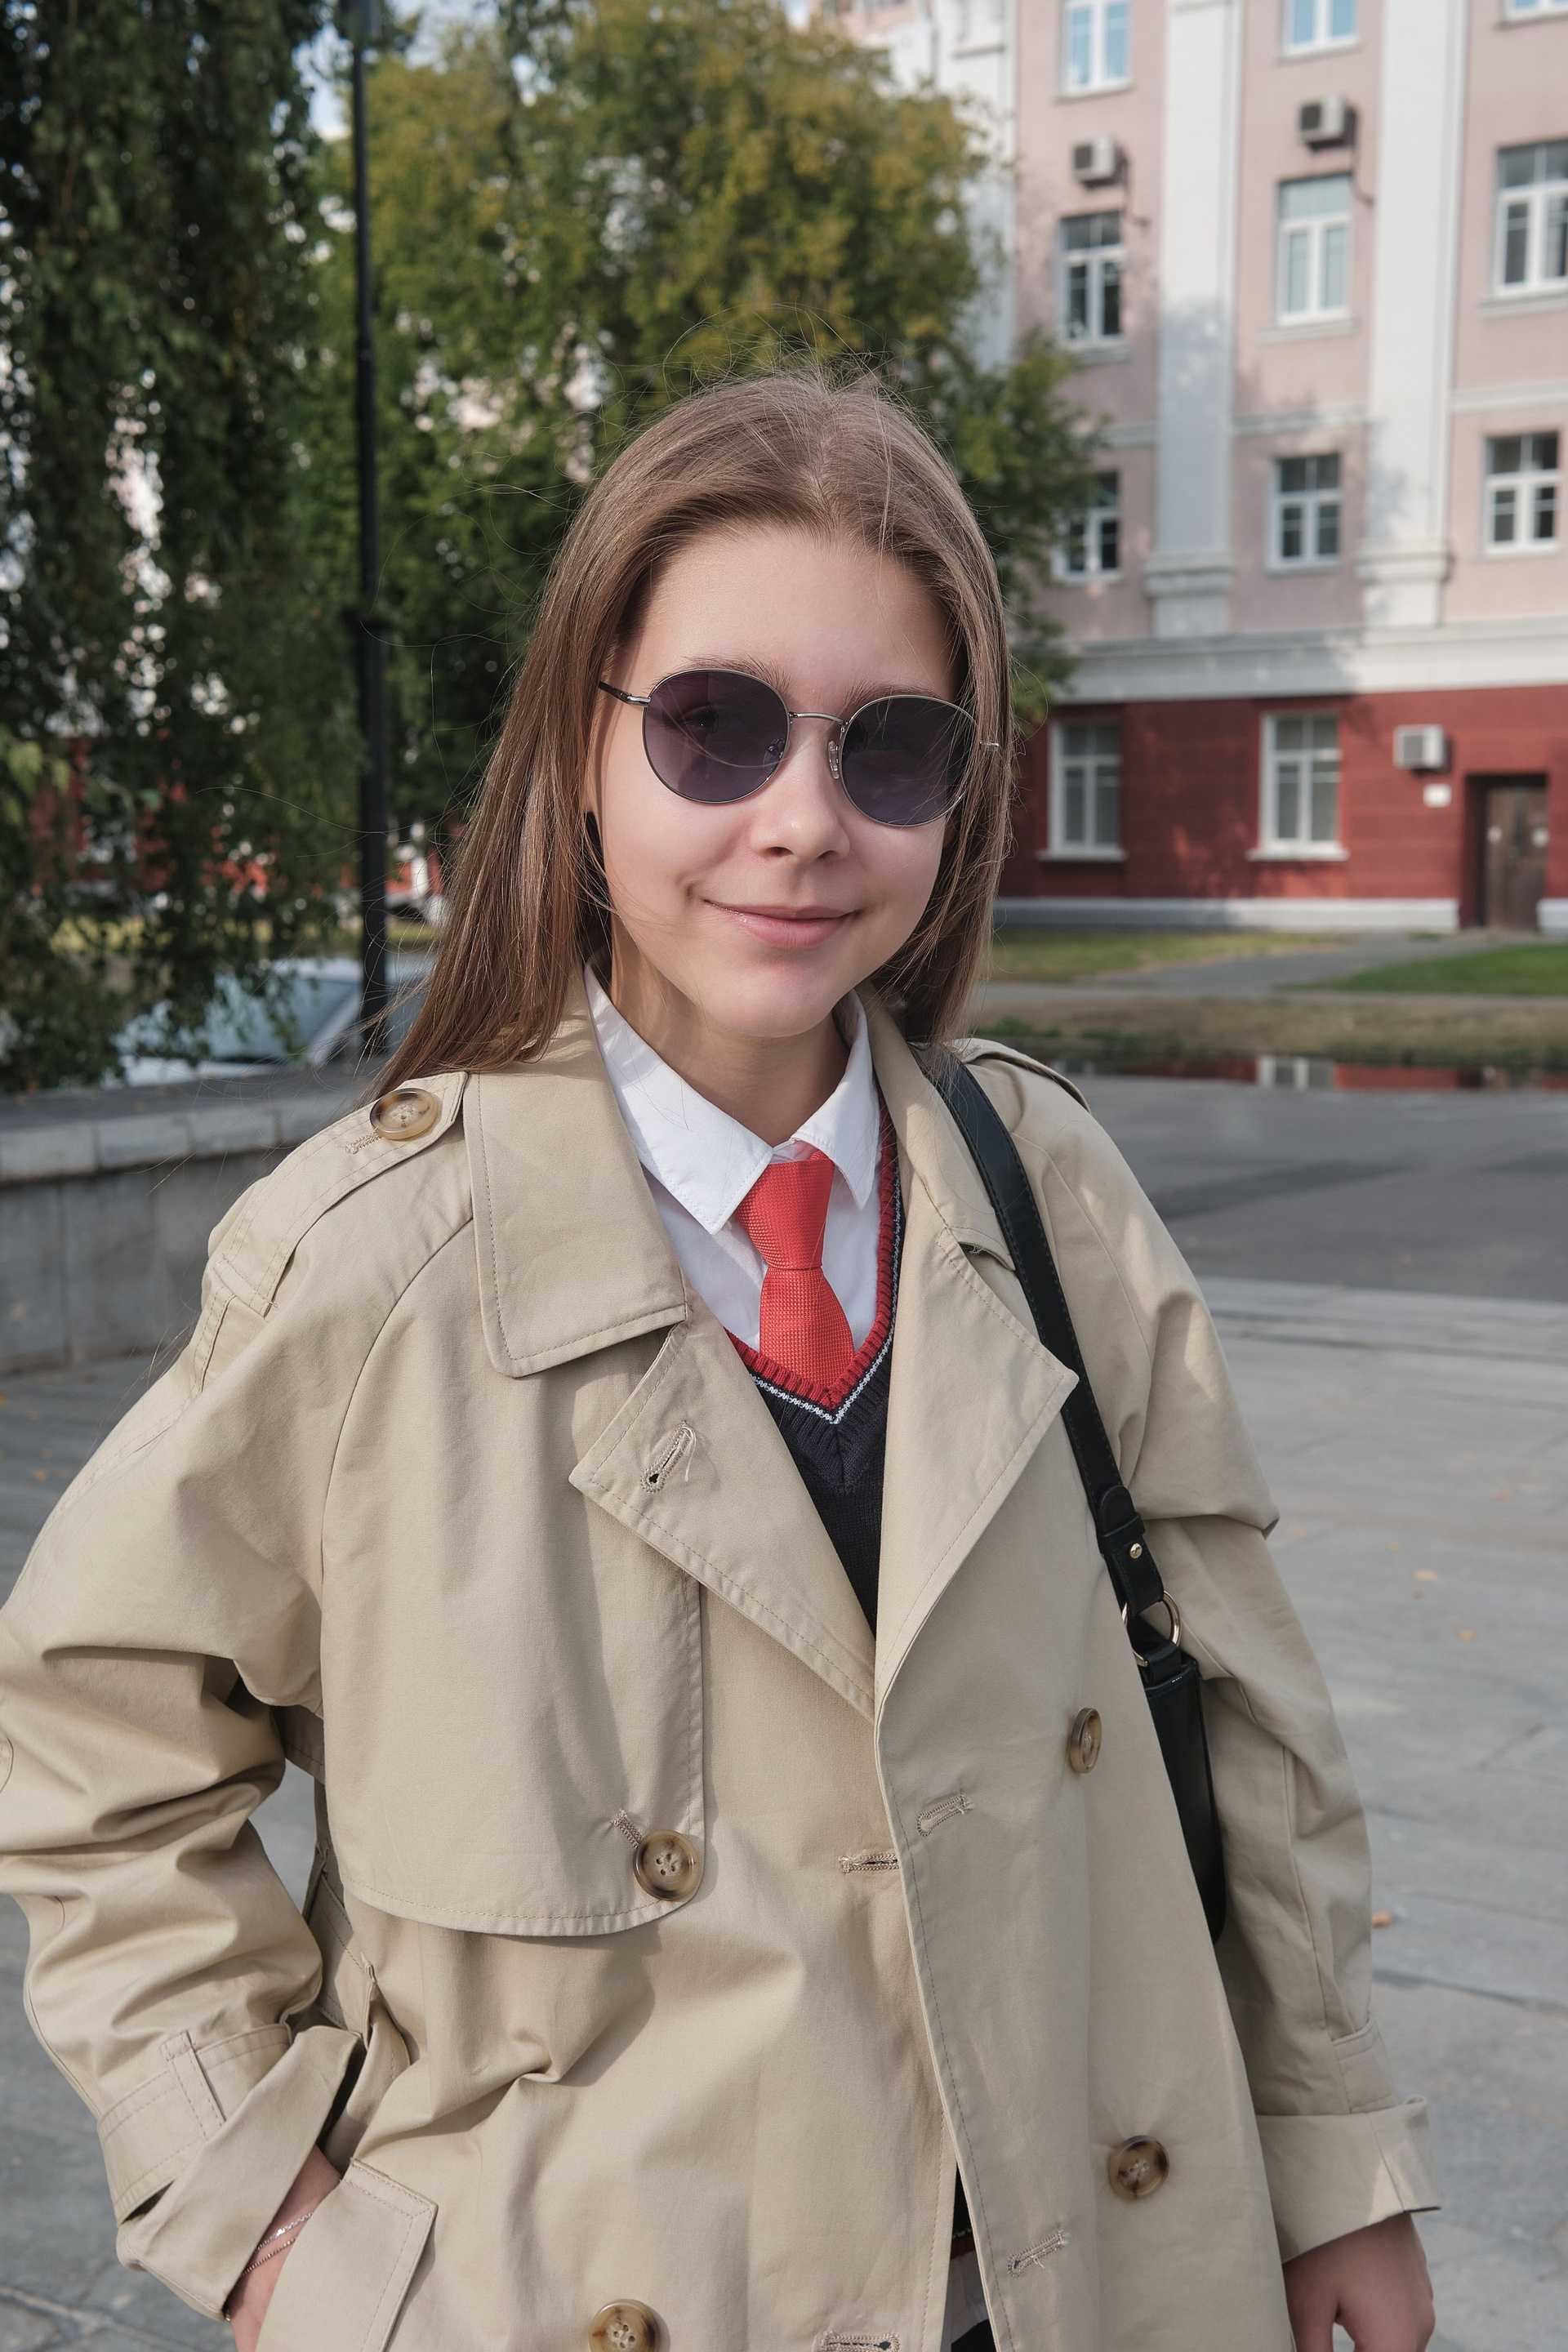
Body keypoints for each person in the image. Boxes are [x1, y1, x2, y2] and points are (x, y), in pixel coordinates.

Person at [0, 373, 1437, 2352]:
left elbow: (1252, 1713)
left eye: (890, 747)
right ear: (581, 754)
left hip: (1087, 2288)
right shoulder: (368, 1267)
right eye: (716, 725)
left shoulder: (1050, 1193)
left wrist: (1331, 2153)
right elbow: (93, 1749)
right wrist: (262, 2218)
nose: (803, 821)